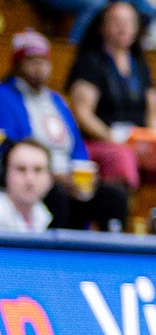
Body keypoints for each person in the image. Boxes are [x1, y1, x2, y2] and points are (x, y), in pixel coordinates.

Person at [65, 2, 156, 234]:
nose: (123, 27)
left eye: (129, 22)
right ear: (102, 27)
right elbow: (82, 114)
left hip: (140, 145)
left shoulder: (141, 66)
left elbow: (153, 114)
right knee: (122, 156)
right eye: (116, 21)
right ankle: (116, 230)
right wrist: (113, 138)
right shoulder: (90, 62)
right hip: (101, 144)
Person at [0, 30, 129, 231]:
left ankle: (111, 258)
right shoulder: (5, 97)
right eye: (32, 61)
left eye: (44, 62)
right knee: (57, 194)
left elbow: (77, 145)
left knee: (113, 198)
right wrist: (51, 175)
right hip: (35, 177)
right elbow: (12, 149)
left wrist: (81, 176)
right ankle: (53, 259)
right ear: (17, 64)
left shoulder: (56, 100)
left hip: (69, 179)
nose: (39, 68)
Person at [0, 138, 55, 233]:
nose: (30, 178)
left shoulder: (44, 215)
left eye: (38, 170)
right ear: (5, 175)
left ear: (50, 179)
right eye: (21, 169)